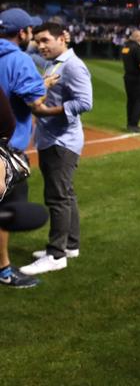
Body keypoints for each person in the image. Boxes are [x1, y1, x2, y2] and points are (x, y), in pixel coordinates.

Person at [20, 22, 93, 276]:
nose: (40, 46)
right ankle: (70, 245)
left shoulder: (72, 65)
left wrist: (45, 111)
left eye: (45, 41)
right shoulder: (56, 61)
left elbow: (85, 102)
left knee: (57, 198)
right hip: (54, 138)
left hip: (62, 141)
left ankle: (56, 254)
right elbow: (30, 51)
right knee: (66, 194)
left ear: (63, 38)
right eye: (37, 41)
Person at [0, 7, 49, 288]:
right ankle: (4, 270)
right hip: (7, 150)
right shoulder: (19, 59)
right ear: (22, 33)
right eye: (29, 28)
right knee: (7, 211)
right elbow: (34, 102)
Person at [121, 29, 140, 133]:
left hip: (128, 78)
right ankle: (134, 124)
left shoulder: (126, 47)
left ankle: (130, 123)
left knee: (131, 100)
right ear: (139, 38)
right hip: (137, 78)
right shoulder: (137, 48)